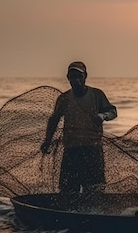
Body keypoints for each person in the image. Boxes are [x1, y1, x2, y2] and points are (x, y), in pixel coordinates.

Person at [41, 61, 117, 194]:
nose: (75, 80)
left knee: (94, 189)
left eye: (78, 76)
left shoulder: (97, 95)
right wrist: (47, 141)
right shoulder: (64, 98)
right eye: (72, 76)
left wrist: (102, 116)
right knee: (68, 190)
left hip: (92, 149)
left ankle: (92, 213)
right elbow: (54, 120)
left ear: (85, 76)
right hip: (71, 150)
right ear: (68, 78)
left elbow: (112, 112)